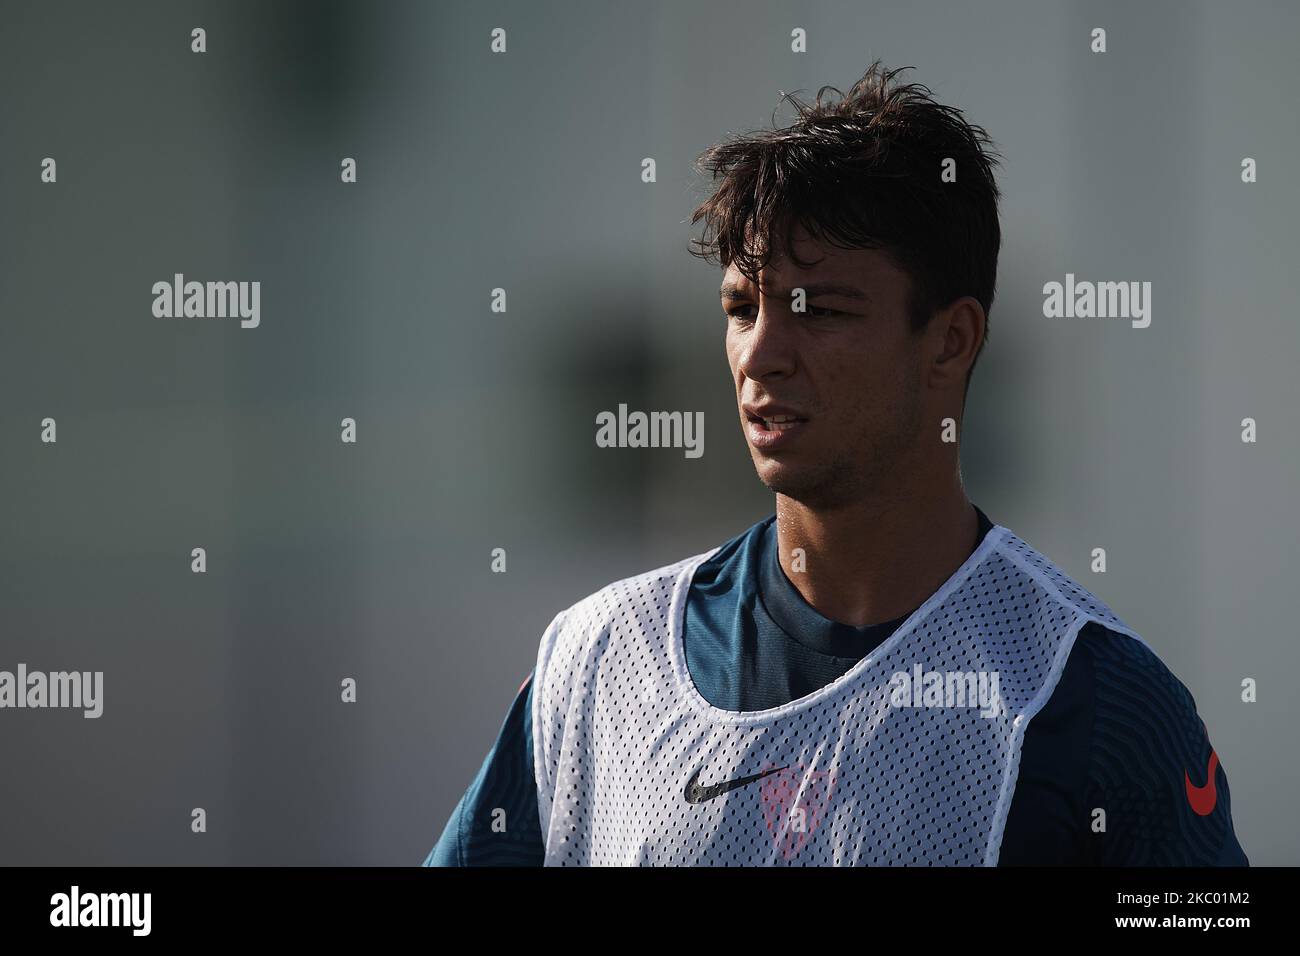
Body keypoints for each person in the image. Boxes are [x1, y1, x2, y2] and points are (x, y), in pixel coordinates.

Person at [424, 61, 1247, 866]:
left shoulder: (1095, 699)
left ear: (951, 341)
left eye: (819, 310)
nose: (762, 355)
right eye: (742, 308)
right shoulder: (603, 659)